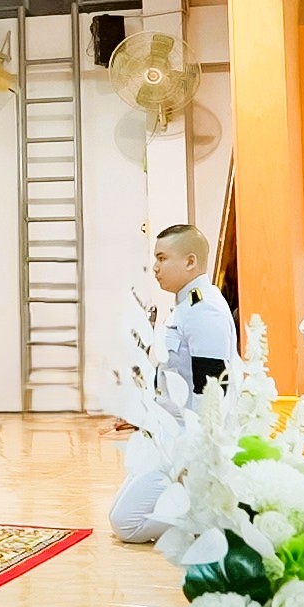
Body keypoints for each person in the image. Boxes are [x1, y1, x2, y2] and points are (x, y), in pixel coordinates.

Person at [109, 223, 236, 544]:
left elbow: (211, 391)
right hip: (168, 434)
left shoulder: (203, 310)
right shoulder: (187, 305)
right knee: (119, 512)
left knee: (125, 524)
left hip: (185, 441)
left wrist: (195, 457)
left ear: (190, 261)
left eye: (162, 258)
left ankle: (213, 515)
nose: (155, 267)